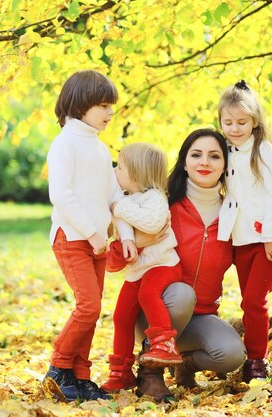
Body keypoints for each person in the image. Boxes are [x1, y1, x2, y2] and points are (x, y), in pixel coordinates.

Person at [107, 128, 272, 401]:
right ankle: (150, 374)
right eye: (196, 155)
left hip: (200, 318)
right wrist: (138, 240)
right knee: (183, 293)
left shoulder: (235, 214)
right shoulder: (160, 204)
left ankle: (184, 363)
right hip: (152, 314)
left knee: (231, 355)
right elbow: (111, 262)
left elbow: (261, 273)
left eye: (214, 156)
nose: (204, 162)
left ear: (225, 166)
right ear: (184, 162)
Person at [43, 69, 135, 402]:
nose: (110, 112)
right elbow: (62, 196)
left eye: (111, 106)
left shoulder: (97, 147)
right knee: (88, 306)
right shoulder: (66, 143)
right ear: (82, 104)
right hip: (72, 238)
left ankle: (79, 378)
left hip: (97, 241)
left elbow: (114, 199)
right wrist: (94, 233)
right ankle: (58, 367)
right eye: (103, 105)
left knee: (93, 310)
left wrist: (122, 235)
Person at [217, 80, 272, 382]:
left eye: (242, 122)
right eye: (228, 122)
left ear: (255, 121)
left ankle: (257, 360)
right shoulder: (227, 151)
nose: (235, 128)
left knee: (253, 301)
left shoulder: (264, 152)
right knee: (244, 297)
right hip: (239, 237)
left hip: (265, 238)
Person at [100, 143, 184, 393]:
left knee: (148, 293)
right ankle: (121, 372)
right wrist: (126, 239)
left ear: (136, 175)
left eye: (121, 167)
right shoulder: (125, 199)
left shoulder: (155, 198)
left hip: (163, 264)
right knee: (121, 316)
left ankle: (164, 344)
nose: (115, 170)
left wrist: (120, 209)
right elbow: (122, 224)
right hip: (138, 270)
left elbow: (152, 223)